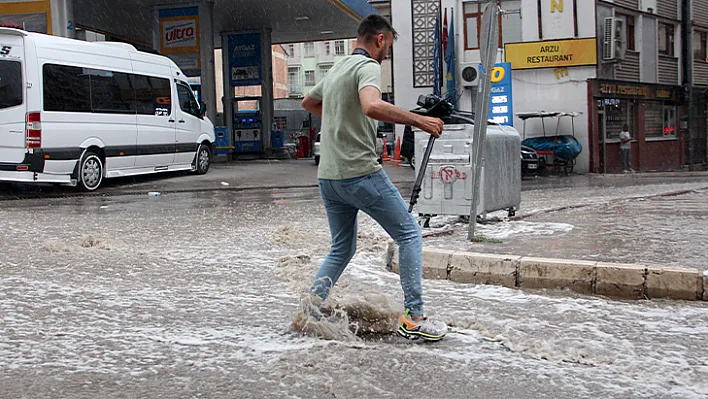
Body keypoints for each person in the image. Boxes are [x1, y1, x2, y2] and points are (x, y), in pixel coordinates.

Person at [301, 14, 448, 341]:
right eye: (389, 47)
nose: (387, 54)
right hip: (360, 173)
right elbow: (370, 105)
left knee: (341, 248)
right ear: (380, 39)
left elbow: (309, 101)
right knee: (410, 234)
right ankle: (415, 317)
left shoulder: (337, 68)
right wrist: (419, 121)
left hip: (329, 178)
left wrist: (341, 114)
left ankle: (308, 312)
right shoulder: (367, 67)